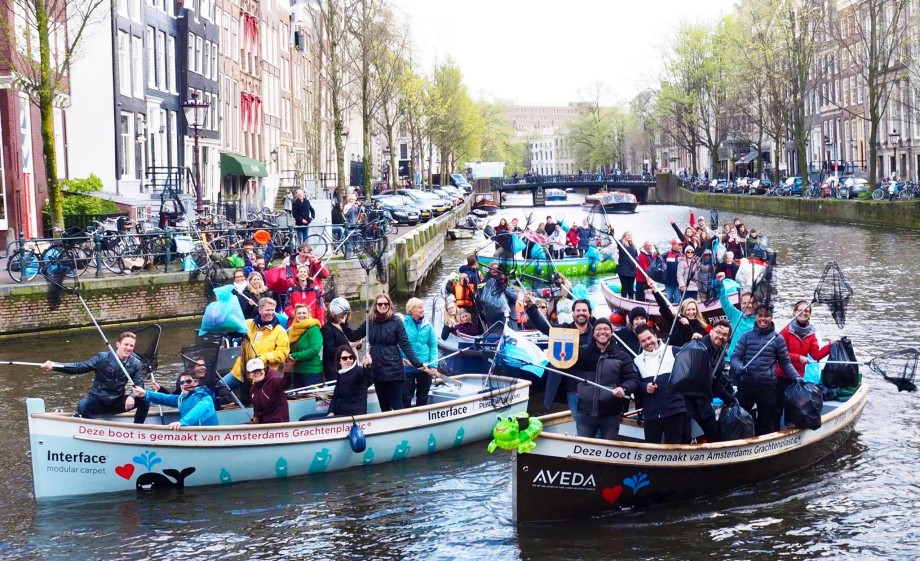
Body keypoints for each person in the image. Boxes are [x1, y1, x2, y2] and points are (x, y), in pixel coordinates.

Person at [41, 332, 149, 423]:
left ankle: (137, 429)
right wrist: (54, 366)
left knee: (145, 399)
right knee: (82, 406)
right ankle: (94, 428)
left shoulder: (135, 363)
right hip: (98, 400)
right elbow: (79, 368)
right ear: (118, 344)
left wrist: (132, 396)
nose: (128, 348)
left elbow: (139, 384)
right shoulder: (102, 358)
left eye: (131, 346)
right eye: (126, 344)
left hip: (117, 401)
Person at [349, 293, 429, 411]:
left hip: (394, 369)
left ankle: (402, 426)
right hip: (377, 367)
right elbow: (353, 336)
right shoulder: (370, 321)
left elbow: (405, 344)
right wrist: (343, 323)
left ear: (389, 305)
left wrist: (417, 363)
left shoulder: (396, 321)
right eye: (380, 304)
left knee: (397, 404)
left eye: (385, 304)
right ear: (375, 306)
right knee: (384, 405)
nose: (383, 306)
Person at [730, 304, 801, 436]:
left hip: (767, 386)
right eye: (760, 315)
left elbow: (785, 363)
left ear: (771, 317)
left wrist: (796, 377)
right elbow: (735, 357)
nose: (763, 319)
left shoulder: (778, 339)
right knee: (738, 416)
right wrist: (737, 366)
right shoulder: (746, 336)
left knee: (767, 422)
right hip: (747, 384)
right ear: (755, 317)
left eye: (766, 316)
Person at [571, 318, 640, 440]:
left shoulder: (622, 356)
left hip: (611, 414)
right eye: (598, 329)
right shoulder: (581, 353)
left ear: (612, 332)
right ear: (593, 332)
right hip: (585, 412)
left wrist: (624, 388)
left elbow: (633, 379)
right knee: (583, 448)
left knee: (609, 448)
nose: (602, 331)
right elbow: (564, 365)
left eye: (606, 329)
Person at [525, 294, 596, 413]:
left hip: (592, 388)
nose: (581, 313)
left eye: (584, 310)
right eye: (578, 310)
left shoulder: (597, 333)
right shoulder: (563, 331)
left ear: (590, 313)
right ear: (573, 314)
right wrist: (531, 307)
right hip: (572, 390)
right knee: (580, 423)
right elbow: (544, 326)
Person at [776, 300, 835, 430]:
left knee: (796, 407)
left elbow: (817, 355)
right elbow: (780, 353)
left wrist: (831, 345)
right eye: (801, 310)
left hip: (797, 377)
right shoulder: (786, 330)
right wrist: (799, 358)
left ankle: (792, 430)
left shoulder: (811, 333)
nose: (804, 313)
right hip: (782, 374)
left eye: (807, 311)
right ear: (795, 312)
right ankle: (775, 431)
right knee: (778, 406)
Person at [634, 325, 689, 444]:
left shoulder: (674, 351)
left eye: (649, 338)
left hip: (674, 411)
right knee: (652, 452)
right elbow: (635, 385)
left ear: (655, 335)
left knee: (675, 450)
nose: (647, 342)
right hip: (651, 415)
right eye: (643, 341)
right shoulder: (637, 361)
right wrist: (645, 387)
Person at [684, 318, 736, 443]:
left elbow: (715, 383)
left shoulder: (721, 355)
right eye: (718, 332)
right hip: (687, 399)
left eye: (724, 335)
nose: (720, 336)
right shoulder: (698, 345)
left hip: (704, 400)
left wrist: (730, 398)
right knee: (685, 435)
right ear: (711, 331)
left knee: (714, 434)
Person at [225, 297, 290, 392]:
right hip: (241, 370)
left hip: (263, 374)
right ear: (260, 310)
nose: (270, 313)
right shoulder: (249, 324)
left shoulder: (280, 331)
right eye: (267, 310)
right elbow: (231, 331)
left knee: (254, 401)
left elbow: (283, 353)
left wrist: (264, 358)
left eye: (272, 310)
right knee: (220, 387)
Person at [131, 371, 217, 429]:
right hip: (190, 434)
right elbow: (165, 398)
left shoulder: (204, 397)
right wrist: (145, 393)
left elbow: (201, 408)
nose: (185, 385)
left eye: (188, 381)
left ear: (196, 382)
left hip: (206, 436)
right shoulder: (181, 397)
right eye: (181, 383)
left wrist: (182, 422)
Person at [402, 298, 439, 407]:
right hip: (407, 366)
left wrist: (433, 365)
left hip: (425, 366)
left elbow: (433, 346)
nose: (423, 310)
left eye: (422, 307)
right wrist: (399, 358)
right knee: (406, 395)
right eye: (419, 307)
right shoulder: (403, 324)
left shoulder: (428, 325)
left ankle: (421, 416)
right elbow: (397, 344)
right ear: (411, 310)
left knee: (423, 395)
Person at [716, 275, 757, 364]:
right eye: (745, 303)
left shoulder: (760, 320)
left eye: (750, 303)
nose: (747, 306)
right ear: (741, 304)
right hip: (731, 359)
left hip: (750, 362)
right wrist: (721, 284)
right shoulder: (735, 315)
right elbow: (724, 301)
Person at [321, 303, 361, 382]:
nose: (344, 315)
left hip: (351, 364)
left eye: (345, 313)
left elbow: (352, 341)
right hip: (335, 368)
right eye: (341, 313)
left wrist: (358, 344)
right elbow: (329, 350)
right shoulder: (327, 328)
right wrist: (349, 346)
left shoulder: (347, 325)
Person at [328, 346, 373, 416]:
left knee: (309, 421)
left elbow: (364, 374)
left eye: (350, 357)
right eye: (344, 358)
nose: (348, 360)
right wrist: (331, 411)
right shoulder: (341, 374)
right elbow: (335, 397)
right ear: (339, 361)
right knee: (305, 418)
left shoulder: (358, 371)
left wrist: (366, 365)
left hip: (352, 415)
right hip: (339, 412)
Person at [287, 303, 323, 388]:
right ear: (295, 315)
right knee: (299, 399)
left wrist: (294, 355)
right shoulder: (291, 330)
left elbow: (315, 349)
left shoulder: (314, 329)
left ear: (309, 314)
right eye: (299, 313)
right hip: (296, 371)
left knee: (315, 400)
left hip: (311, 372)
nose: (301, 315)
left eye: (304, 313)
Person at [248, 358, 292, 424]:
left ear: (264, 370)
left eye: (259, 370)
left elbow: (285, 384)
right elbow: (256, 409)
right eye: (253, 371)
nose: (257, 373)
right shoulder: (253, 389)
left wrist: (287, 370)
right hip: (263, 424)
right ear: (249, 375)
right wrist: (255, 417)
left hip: (278, 423)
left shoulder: (273, 381)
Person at [616, 231, 638, 300]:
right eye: (627, 235)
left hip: (632, 270)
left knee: (631, 287)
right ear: (624, 237)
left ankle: (631, 299)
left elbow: (636, 256)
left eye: (630, 235)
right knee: (625, 287)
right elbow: (617, 242)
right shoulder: (622, 244)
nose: (629, 236)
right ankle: (624, 299)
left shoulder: (633, 246)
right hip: (623, 270)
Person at [663, 239, 683, 303]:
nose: (681, 247)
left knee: (678, 300)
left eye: (681, 245)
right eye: (679, 245)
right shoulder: (666, 255)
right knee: (669, 299)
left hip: (678, 283)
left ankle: (676, 312)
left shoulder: (682, 255)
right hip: (668, 282)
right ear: (673, 245)